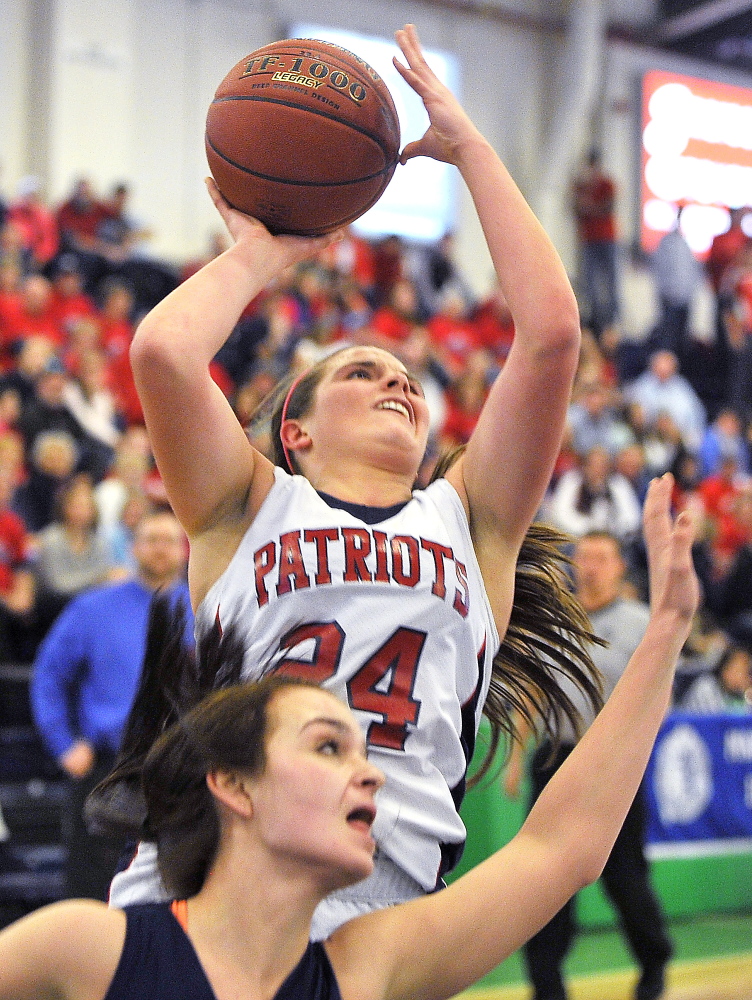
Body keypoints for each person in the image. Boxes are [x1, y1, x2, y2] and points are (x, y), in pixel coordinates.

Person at [109, 24, 592, 942]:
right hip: (209, 885)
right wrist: (264, 252)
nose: (398, 381)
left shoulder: (474, 522)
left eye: (407, 378)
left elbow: (552, 336)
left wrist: (471, 149)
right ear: (294, 428)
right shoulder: (244, 505)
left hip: (381, 907)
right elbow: (167, 352)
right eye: (361, 373)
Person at [0, 472, 699, 1000]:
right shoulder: (88, 951)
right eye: (330, 747)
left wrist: (666, 630)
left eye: (363, 753)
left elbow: (563, 847)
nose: (371, 774)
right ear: (232, 782)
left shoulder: (364, 965)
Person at [504, 529, 675, 1000]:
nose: (592, 566)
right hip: (555, 759)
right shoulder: (555, 622)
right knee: (545, 879)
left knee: (625, 879)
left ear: (621, 566)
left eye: (603, 557)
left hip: (613, 768)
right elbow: (533, 690)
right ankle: (546, 985)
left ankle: (654, 961)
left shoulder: (642, 624)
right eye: (585, 557)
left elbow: (658, 697)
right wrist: (517, 758)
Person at [29, 508, 192, 900]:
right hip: (108, 767)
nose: (160, 550)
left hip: (182, 767)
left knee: (179, 889)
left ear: (185, 550)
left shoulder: (207, 607)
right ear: (133, 547)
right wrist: (63, 744)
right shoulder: (92, 609)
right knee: (90, 891)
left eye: (169, 540)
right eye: (151, 540)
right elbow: (48, 675)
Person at [571, 147, 620, 340]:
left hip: (607, 238)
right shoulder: (582, 186)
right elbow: (576, 208)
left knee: (610, 283)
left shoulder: (606, 184)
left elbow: (608, 207)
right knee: (590, 283)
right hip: (589, 239)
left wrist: (588, 208)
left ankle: (612, 322)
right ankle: (594, 322)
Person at [680, 642, 752, 713]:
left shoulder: (741, 694)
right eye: (738, 671)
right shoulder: (706, 686)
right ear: (725, 669)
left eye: (746, 671)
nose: (744, 677)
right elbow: (714, 720)